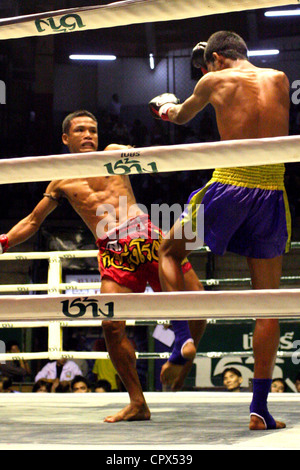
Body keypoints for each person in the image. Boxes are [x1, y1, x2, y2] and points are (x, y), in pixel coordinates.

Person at [0, 110, 206, 422]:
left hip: (145, 236)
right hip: (112, 252)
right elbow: (33, 220)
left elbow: (148, 160)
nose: (88, 136)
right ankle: (138, 403)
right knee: (110, 326)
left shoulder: (112, 154)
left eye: (93, 130)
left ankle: (182, 354)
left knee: (199, 302)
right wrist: (4, 242)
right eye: (80, 130)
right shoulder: (60, 181)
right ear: (65, 138)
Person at [149, 31, 291, 430]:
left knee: (167, 251)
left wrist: (163, 107)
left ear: (213, 59)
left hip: (230, 186)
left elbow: (179, 116)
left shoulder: (212, 81)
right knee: (268, 305)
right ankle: (259, 409)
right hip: (272, 191)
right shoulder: (279, 77)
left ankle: (181, 338)